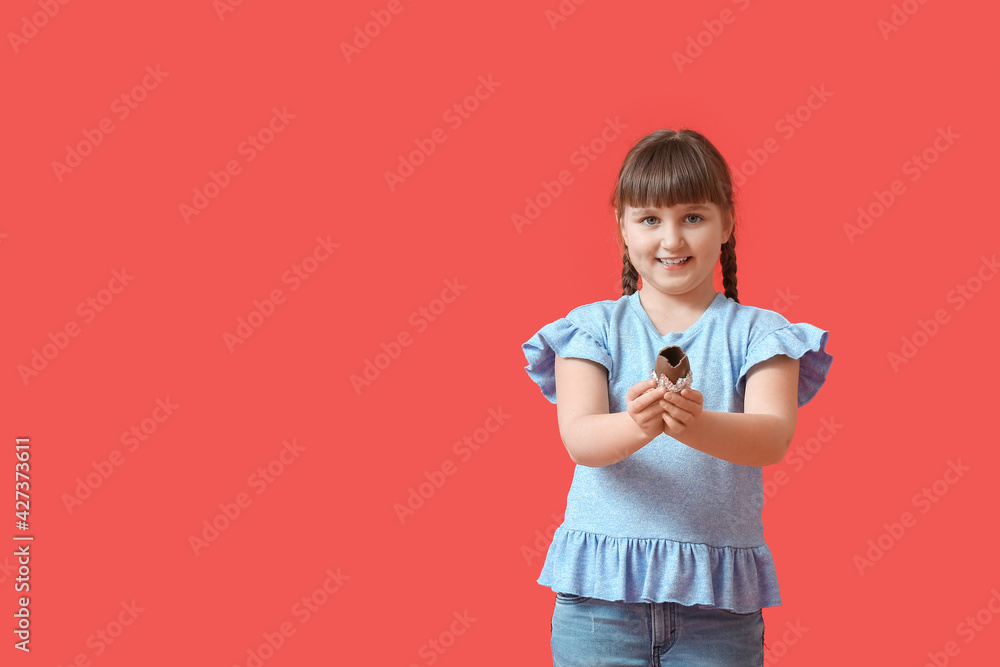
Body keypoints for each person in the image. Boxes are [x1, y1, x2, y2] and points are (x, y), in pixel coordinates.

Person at [521, 128, 833, 666]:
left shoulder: (762, 335)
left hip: (718, 605)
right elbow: (581, 440)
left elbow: (772, 437)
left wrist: (695, 424)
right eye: (649, 219)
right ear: (622, 226)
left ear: (726, 223)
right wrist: (639, 424)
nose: (671, 240)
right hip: (600, 602)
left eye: (692, 217)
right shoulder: (590, 329)